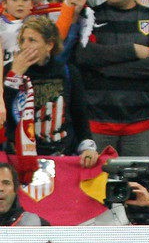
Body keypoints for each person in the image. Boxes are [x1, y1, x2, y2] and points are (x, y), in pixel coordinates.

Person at [74, 0, 149, 156]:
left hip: (142, 124)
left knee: (138, 186)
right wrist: (133, 50)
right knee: (95, 187)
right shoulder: (90, 16)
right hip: (97, 123)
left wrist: (103, 68)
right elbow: (84, 56)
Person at [3, 15, 98, 164]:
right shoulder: (10, 70)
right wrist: (14, 77)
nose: (25, 46)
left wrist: (88, 147)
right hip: (22, 157)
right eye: (22, 40)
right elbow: (7, 116)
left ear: (49, 45)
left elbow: (79, 115)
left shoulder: (69, 72)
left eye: (32, 40)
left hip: (62, 155)